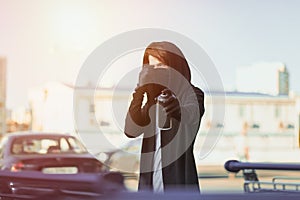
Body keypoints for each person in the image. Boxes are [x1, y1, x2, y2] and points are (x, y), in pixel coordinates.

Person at [124, 41, 205, 192]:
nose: (155, 72)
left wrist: (174, 107)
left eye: (160, 66)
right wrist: (140, 92)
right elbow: (131, 130)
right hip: (150, 186)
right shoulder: (153, 102)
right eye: (151, 67)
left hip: (178, 185)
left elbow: (191, 114)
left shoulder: (192, 93)